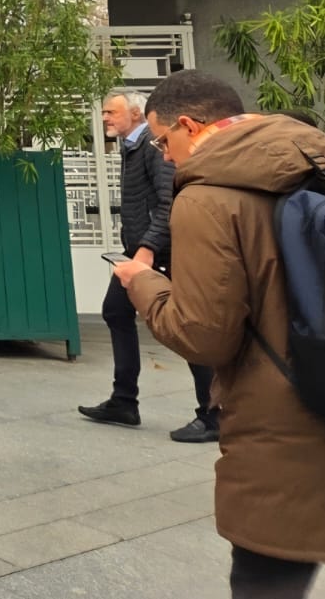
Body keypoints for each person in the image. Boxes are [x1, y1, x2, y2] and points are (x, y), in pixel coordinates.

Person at [114, 70, 325, 598]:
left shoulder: (206, 197)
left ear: (191, 126)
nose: (165, 156)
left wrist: (144, 284)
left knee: (266, 580)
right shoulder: (321, 166)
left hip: (282, 432)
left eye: (163, 140)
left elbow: (204, 337)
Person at [78, 90, 218, 441]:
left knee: (184, 328)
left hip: (160, 254)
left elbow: (169, 202)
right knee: (115, 311)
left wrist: (148, 249)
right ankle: (124, 402)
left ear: (137, 115)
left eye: (112, 112)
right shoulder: (131, 146)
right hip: (138, 250)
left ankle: (214, 414)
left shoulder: (155, 149)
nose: (106, 118)